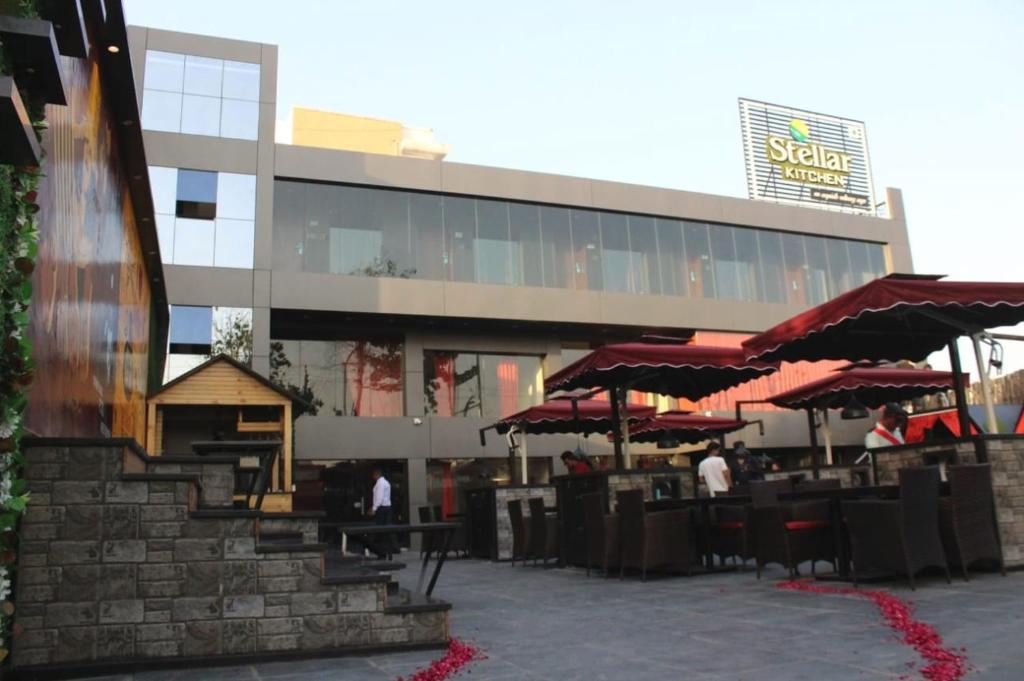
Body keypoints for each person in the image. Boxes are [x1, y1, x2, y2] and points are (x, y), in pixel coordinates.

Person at [368, 468, 396, 559]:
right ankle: (388, 552)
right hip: (386, 508)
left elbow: (379, 498)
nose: (373, 477)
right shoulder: (385, 482)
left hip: (382, 509)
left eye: (373, 475)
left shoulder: (380, 484)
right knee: (385, 532)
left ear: (376, 475)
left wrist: (374, 508)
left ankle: (382, 553)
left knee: (380, 532)